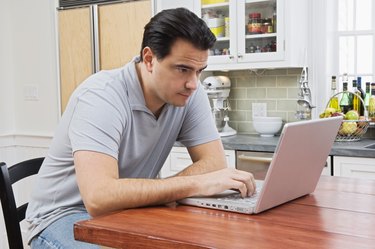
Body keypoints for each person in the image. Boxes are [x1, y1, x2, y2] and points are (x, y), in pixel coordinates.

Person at [26, 7, 256, 248]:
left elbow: (214, 163)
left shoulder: (188, 92)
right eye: (182, 69)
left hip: (128, 210)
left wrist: (160, 192)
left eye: (199, 71)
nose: (192, 83)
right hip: (63, 217)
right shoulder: (100, 96)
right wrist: (193, 184)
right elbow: (99, 197)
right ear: (149, 59)